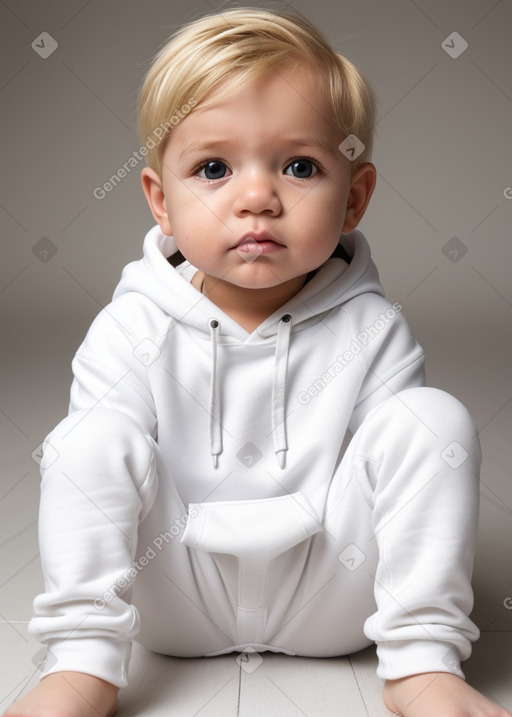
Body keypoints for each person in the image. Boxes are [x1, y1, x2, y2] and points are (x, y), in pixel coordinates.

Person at [5, 8, 510, 717]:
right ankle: (82, 666)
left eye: (299, 166)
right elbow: (92, 481)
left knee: (433, 423)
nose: (256, 198)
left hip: (333, 595)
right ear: (162, 203)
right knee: (86, 438)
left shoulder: (373, 327)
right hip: (174, 596)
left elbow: (401, 478)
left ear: (354, 198)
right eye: (213, 169)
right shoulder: (131, 325)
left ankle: (421, 663)